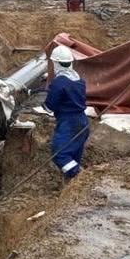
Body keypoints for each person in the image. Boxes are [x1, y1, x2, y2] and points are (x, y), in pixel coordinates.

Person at [46, 44, 88, 182]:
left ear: (56, 63)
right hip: (82, 123)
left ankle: (81, 177)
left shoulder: (59, 82)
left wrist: (45, 105)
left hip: (68, 124)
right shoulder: (78, 80)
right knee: (74, 156)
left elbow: (50, 106)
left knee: (60, 154)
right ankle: (71, 188)